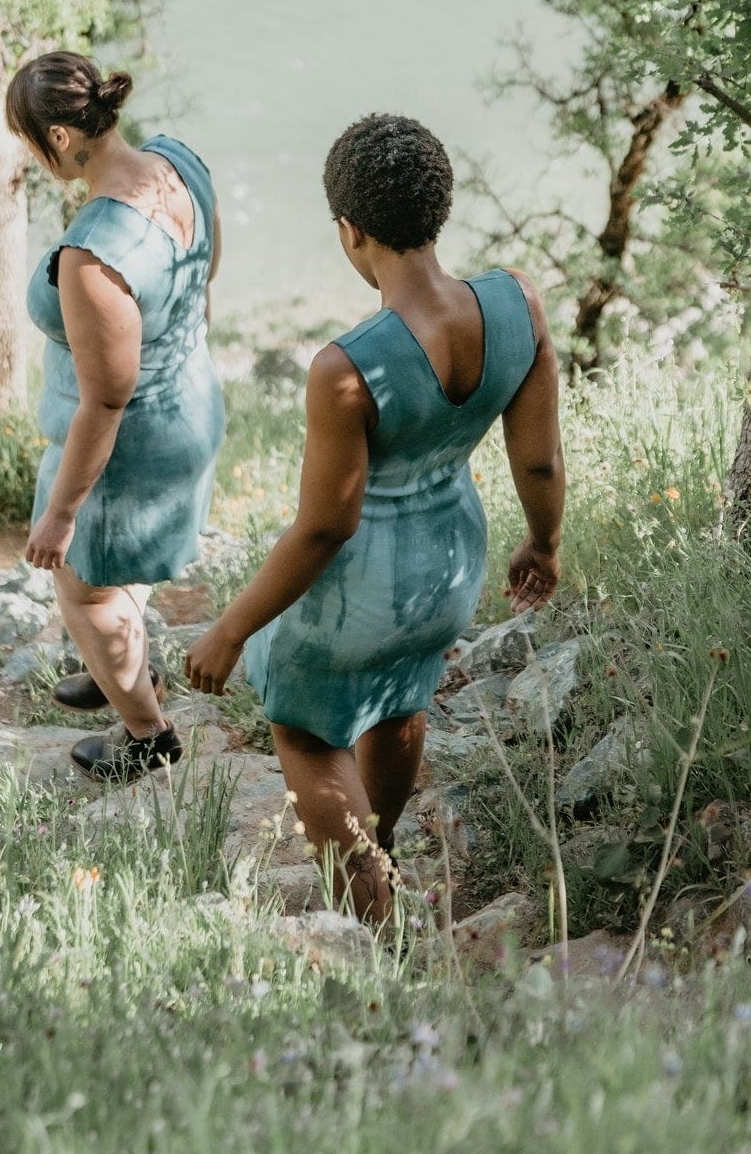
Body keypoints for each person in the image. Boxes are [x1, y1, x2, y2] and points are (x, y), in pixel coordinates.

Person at [186, 113, 564, 920]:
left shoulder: (347, 367)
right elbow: (536, 459)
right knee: (399, 698)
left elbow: (326, 526)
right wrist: (543, 541)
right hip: (450, 568)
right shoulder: (516, 304)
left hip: (361, 588)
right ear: (439, 207)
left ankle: (367, 906)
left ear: (350, 231)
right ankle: (379, 852)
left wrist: (231, 629)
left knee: (307, 733)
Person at [7, 51, 225, 782]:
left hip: (129, 446)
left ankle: (146, 731)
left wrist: (63, 514)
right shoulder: (178, 161)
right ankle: (117, 664)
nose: (34, 158)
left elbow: (106, 400)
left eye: (30, 142)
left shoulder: (93, 253)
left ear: (61, 140)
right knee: (114, 577)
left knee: (83, 585)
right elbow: (205, 271)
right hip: (190, 401)